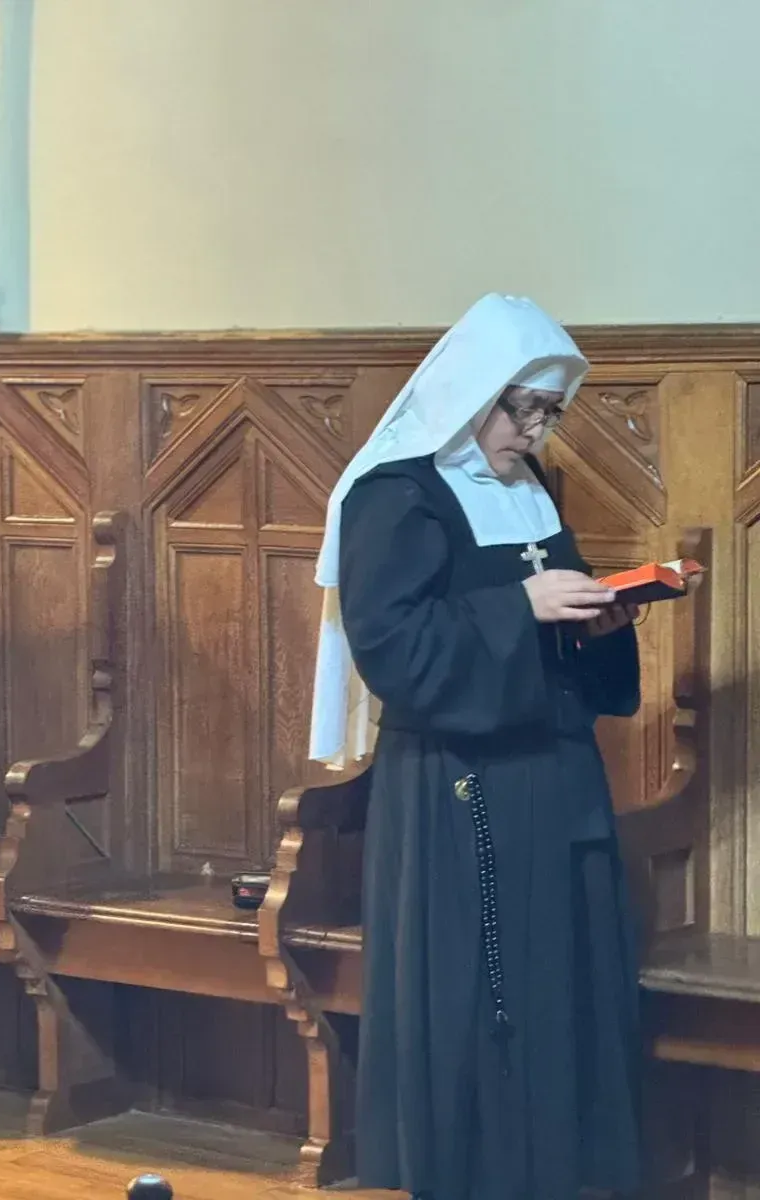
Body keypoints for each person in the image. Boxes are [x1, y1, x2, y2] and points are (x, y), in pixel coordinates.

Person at [308, 293, 642, 1200]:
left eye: (549, 412)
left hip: (555, 769)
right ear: (469, 394)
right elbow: (394, 648)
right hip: (461, 785)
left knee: (558, 980)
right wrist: (521, 609)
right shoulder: (396, 495)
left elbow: (548, 619)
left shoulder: (530, 491)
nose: (535, 433)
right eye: (521, 409)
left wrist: (603, 622)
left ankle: (558, 1173)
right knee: (482, 990)